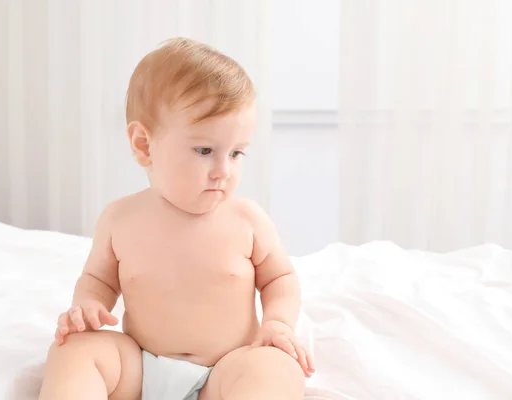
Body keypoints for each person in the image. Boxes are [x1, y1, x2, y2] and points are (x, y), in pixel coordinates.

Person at [39, 37, 315, 400]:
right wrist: (89, 307)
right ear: (143, 144)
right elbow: (98, 280)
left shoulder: (247, 219)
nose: (222, 171)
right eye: (205, 150)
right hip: (138, 367)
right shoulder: (120, 218)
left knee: (275, 368)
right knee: (75, 350)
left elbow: (279, 277)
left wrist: (278, 323)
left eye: (235, 153)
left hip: (226, 370)